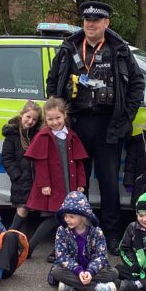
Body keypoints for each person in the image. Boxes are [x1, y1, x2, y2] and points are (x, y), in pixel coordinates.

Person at [46, 0, 145, 254]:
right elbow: (52, 80)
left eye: (96, 21)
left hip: (107, 126)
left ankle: (110, 236)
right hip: (75, 125)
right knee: (75, 183)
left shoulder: (119, 50)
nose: (91, 24)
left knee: (109, 184)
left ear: (106, 23)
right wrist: (57, 112)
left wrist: (126, 117)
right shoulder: (69, 48)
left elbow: (136, 85)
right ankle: (72, 236)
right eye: (87, 20)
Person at [24, 97, 88, 255]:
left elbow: (79, 162)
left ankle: (56, 251)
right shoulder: (43, 136)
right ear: (45, 119)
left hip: (69, 184)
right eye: (50, 119)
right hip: (53, 185)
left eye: (58, 118)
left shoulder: (71, 135)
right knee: (54, 217)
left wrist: (81, 182)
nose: (54, 122)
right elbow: (40, 163)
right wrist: (44, 184)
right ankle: (29, 248)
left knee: (66, 218)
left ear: (65, 115)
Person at [49, 191, 119, 291]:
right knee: (56, 271)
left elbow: (101, 256)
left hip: (92, 269)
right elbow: (62, 256)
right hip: (72, 269)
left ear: (82, 217)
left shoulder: (96, 231)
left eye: (71, 217)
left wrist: (90, 272)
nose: (67, 219)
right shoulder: (62, 230)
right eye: (65, 216)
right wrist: (78, 270)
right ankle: (97, 287)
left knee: (113, 273)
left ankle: (70, 284)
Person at [0, 100, 43, 233]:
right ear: (21, 115)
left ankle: (20, 246)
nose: (30, 121)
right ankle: (8, 239)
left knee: (25, 211)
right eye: (28, 117)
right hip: (21, 180)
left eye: (34, 119)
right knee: (22, 209)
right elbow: (7, 159)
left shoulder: (37, 134)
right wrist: (17, 175)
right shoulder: (12, 135)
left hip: (34, 180)